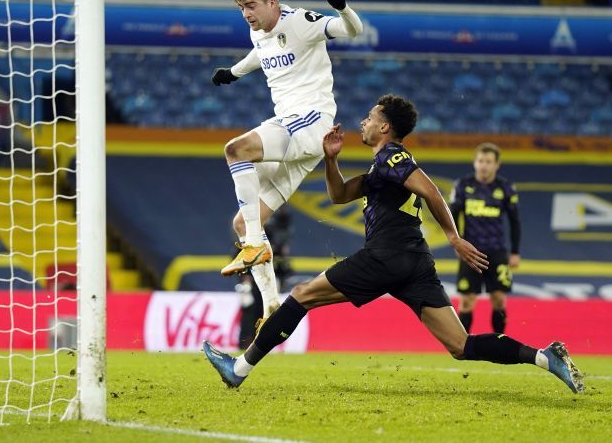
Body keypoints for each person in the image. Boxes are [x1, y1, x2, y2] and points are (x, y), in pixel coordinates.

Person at [203, 95, 584, 394]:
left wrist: (453, 236)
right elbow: (338, 196)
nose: (363, 123)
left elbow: (431, 190)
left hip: (386, 256)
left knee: (301, 294)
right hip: (414, 262)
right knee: (460, 345)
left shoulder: (391, 156)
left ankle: (238, 369)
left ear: (384, 126)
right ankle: (544, 357)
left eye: (369, 118)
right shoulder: (379, 168)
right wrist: (331, 159)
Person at [212, 0, 363, 327]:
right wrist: (234, 72)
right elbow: (259, 54)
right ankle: (270, 309)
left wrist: (342, 8)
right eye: (241, 9)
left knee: (236, 150)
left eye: (250, 6)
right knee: (243, 222)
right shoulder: (258, 31)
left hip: (311, 121)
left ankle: (254, 246)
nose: (246, 14)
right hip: (297, 140)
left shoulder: (301, 23)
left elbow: (351, 31)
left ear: (272, 2)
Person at [449, 143, 521, 333]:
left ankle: (500, 342)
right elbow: (452, 216)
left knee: (499, 299)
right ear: (475, 163)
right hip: (471, 252)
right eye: (480, 161)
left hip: (497, 251)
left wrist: (514, 252)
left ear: (497, 165)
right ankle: (462, 345)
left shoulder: (505, 188)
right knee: (466, 301)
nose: (484, 165)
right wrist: (458, 244)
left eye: (488, 162)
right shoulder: (463, 186)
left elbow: (515, 222)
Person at [237, 206, 294, 348]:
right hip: (255, 279)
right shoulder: (257, 238)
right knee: (252, 310)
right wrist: (245, 278)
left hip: (268, 278)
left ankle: (258, 342)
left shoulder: (276, 241)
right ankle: (246, 342)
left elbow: (282, 263)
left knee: (264, 310)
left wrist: (283, 275)